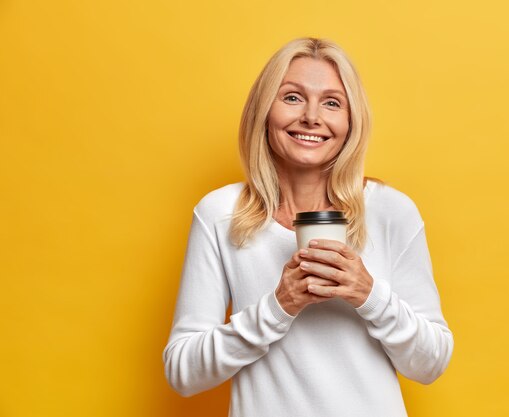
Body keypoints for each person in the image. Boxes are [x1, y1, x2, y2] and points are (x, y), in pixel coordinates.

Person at [162, 37, 453, 417]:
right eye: (293, 97)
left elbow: (431, 364)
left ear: (351, 121)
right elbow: (183, 372)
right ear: (264, 110)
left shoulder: (390, 211)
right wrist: (278, 306)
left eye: (332, 102)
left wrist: (369, 295)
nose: (311, 117)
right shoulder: (220, 214)